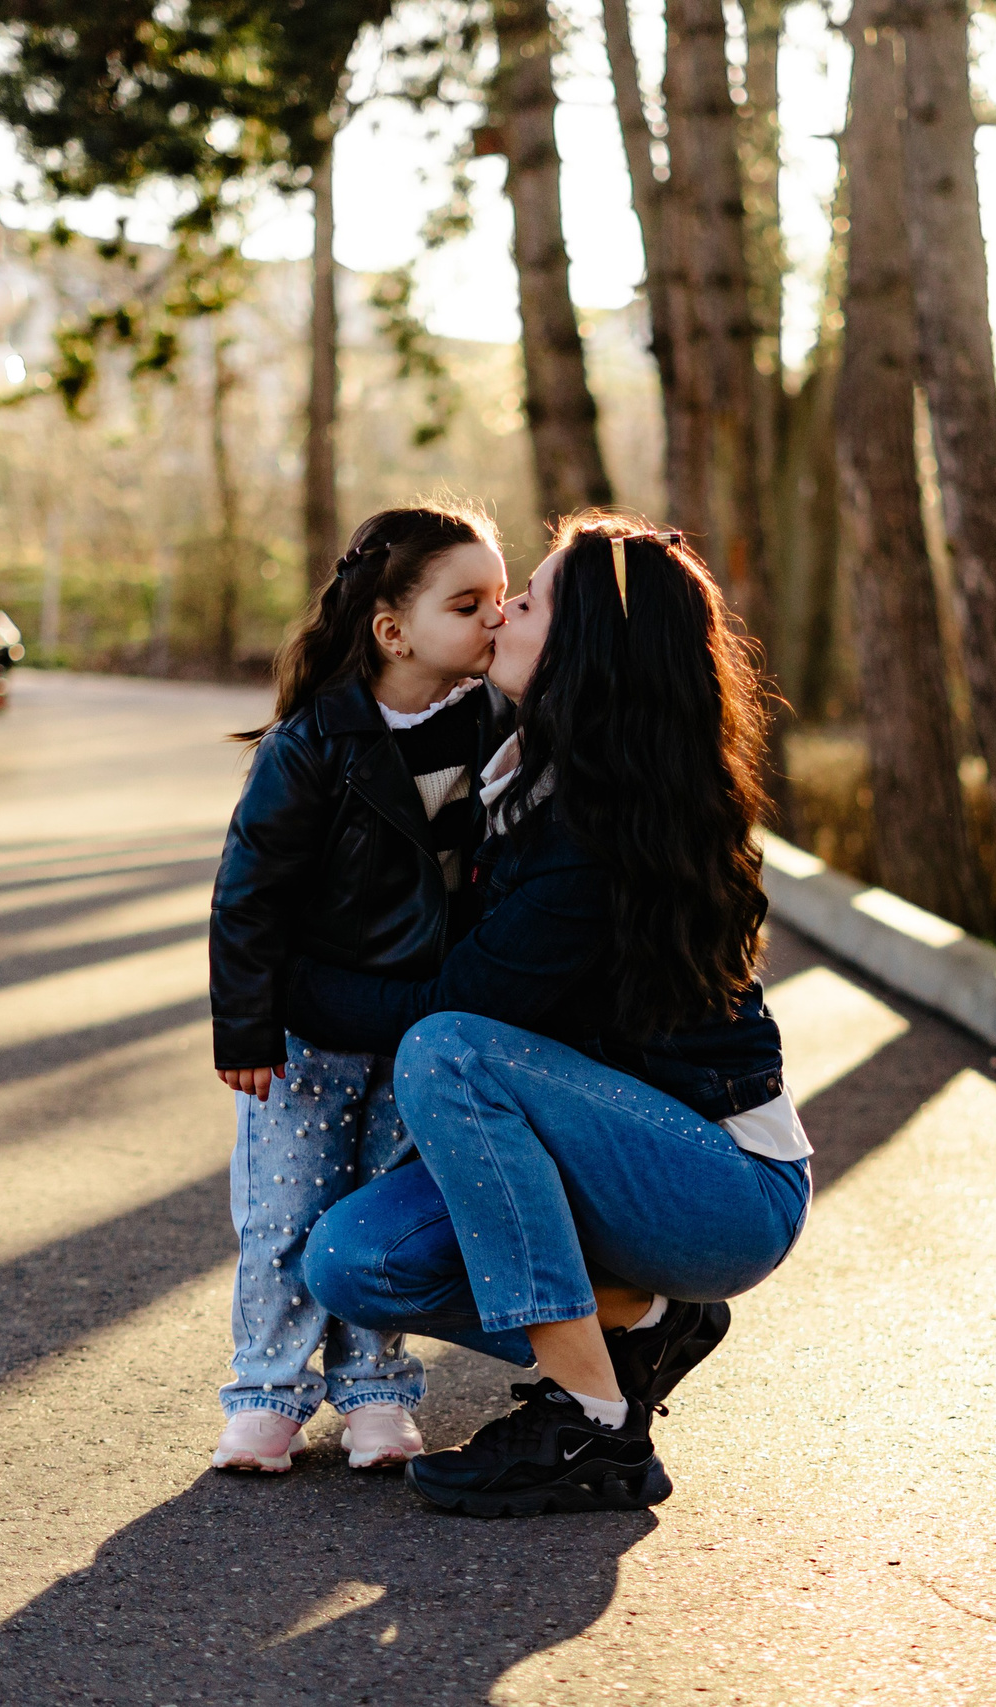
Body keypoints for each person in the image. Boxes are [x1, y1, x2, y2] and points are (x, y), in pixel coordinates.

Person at [286, 517, 812, 1517]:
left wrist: (289, 990)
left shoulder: (602, 830)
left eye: (524, 602)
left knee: (447, 1050)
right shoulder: (530, 771)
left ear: (584, 651)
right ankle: (647, 1318)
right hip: (613, 1165)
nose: (500, 616)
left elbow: (455, 1010)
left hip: (723, 1186)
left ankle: (595, 1428)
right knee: (354, 1260)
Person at [206, 502, 509, 1473]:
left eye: (504, 601)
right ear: (392, 629)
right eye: (469, 603)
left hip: (418, 1031)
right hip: (306, 1032)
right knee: (288, 1211)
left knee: (378, 1209)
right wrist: (246, 1028)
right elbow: (247, 894)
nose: (494, 620)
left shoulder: (494, 726)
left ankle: (375, 1392)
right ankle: (266, 1391)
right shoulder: (317, 744)